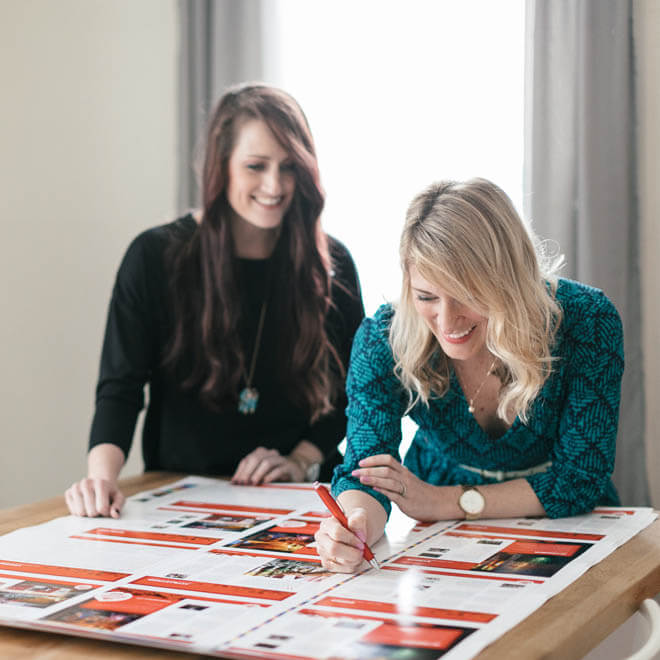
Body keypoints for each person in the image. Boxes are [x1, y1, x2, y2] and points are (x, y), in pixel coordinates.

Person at [65, 83, 364, 518]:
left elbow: (353, 393)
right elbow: (120, 387)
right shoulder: (154, 258)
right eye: (256, 166)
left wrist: (300, 460)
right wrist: (102, 480)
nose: (274, 185)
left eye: (289, 167)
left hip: (298, 498)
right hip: (177, 493)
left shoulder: (330, 263)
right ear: (220, 166)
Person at [315, 178, 623, 573]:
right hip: (439, 536)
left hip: (566, 519)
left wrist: (443, 502)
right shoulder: (383, 338)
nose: (446, 322)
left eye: (466, 295)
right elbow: (367, 471)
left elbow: (578, 480)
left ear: (508, 281)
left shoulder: (587, 321)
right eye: (426, 297)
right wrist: (356, 525)